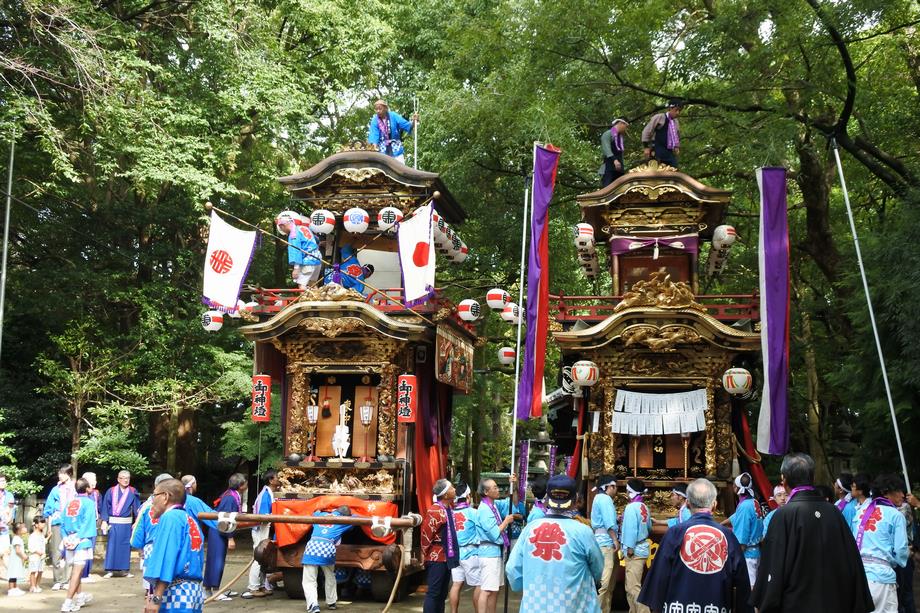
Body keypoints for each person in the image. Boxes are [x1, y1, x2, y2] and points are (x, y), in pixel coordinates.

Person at [751, 452, 873, 613]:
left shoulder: (783, 515)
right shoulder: (834, 512)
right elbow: (851, 561)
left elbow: (774, 566)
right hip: (834, 602)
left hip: (795, 604)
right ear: (812, 477)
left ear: (784, 479)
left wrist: (764, 601)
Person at [639, 478, 751, 612]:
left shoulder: (674, 533)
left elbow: (658, 580)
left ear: (687, 503)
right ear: (714, 505)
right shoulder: (728, 536)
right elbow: (742, 586)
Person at [505, 474, 604, 612]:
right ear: (575, 499)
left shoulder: (530, 529)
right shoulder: (583, 531)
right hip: (573, 606)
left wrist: (525, 584)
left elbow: (512, 569)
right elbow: (598, 569)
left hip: (534, 606)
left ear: (547, 499)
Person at [142, 478, 205, 613]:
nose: (152, 501)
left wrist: (156, 598)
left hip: (177, 591)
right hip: (194, 591)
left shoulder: (170, 518)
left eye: (154, 495)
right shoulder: (190, 519)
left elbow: (167, 559)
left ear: (165, 496)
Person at [851, 474, 909, 612]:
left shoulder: (860, 512)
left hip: (859, 577)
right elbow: (901, 551)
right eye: (899, 491)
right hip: (882, 578)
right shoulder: (896, 515)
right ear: (886, 493)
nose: (903, 495)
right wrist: (900, 560)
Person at [475, 475, 518, 613]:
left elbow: (513, 503)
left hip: (496, 553)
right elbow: (494, 534)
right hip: (489, 554)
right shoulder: (484, 509)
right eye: (494, 487)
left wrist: (514, 486)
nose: (498, 489)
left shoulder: (494, 505)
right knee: (486, 590)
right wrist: (506, 522)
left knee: (494, 590)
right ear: (486, 492)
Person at [301, 506, 354, 613]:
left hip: (313, 547)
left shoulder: (320, 515)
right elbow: (357, 519)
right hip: (328, 548)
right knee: (330, 575)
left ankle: (313, 605)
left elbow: (315, 511)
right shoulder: (344, 521)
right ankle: (331, 602)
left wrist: (325, 508)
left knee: (309, 580)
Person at [204, 473, 246, 601]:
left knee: (215, 560)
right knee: (217, 561)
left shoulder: (230, 495)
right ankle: (215, 591)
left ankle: (210, 589)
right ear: (241, 485)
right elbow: (225, 518)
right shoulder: (230, 498)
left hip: (218, 530)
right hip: (220, 530)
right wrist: (230, 538)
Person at [59, 477, 98, 613]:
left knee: (77, 572)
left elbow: (62, 522)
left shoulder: (70, 502)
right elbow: (88, 523)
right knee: (76, 573)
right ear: (87, 489)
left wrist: (65, 538)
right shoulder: (89, 503)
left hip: (68, 539)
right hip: (81, 540)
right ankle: (68, 602)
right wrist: (77, 537)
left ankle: (80, 596)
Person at [421, 479, 459, 613]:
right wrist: (424, 553)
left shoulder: (449, 508)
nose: (454, 489)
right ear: (445, 495)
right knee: (433, 593)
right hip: (436, 557)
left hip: (447, 556)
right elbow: (426, 534)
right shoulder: (435, 510)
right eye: (452, 488)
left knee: (442, 594)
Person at [131, 473, 174, 592]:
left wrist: (140, 549)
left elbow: (137, 532)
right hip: (167, 548)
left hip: (151, 548)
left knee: (152, 589)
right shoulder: (176, 508)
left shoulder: (145, 507)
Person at [242, 470, 279, 599]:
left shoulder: (268, 493)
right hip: (260, 529)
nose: (279, 479)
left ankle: (262, 585)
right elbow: (263, 517)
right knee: (258, 557)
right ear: (271, 480)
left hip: (264, 529)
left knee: (264, 558)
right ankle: (253, 587)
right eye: (277, 477)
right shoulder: (265, 495)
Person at [725, 472, 763, 587]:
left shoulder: (744, 507)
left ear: (736, 488)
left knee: (750, 587)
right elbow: (736, 516)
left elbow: (742, 537)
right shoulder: (753, 502)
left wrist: (734, 558)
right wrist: (719, 525)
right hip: (755, 551)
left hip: (747, 555)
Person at [620, 478, 652, 613]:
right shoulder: (644, 506)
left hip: (634, 549)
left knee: (633, 587)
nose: (626, 493)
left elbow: (630, 529)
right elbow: (649, 527)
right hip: (643, 546)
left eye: (627, 490)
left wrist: (630, 548)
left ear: (630, 491)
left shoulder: (631, 507)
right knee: (630, 586)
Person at [101, 470, 140, 579]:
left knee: (125, 546)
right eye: (123, 477)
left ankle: (124, 570)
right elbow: (105, 506)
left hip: (126, 523)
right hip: (113, 523)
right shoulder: (111, 491)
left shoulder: (133, 491)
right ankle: (110, 570)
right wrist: (104, 520)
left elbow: (137, 508)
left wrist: (137, 521)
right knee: (112, 546)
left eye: (127, 477)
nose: (125, 480)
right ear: (118, 479)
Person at [448, 481, 480, 613]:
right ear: (468, 496)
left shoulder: (450, 513)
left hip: (455, 554)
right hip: (471, 553)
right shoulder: (473, 512)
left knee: (456, 584)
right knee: (479, 585)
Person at [589, 474, 619, 613]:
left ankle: (604, 609)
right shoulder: (606, 499)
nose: (616, 490)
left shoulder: (598, 497)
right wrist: (615, 539)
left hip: (600, 540)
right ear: (609, 487)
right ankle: (598, 610)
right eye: (615, 487)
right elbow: (609, 524)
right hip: (606, 542)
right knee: (605, 583)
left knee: (608, 583)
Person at [43, 464, 76, 591]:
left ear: (69, 474)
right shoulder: (55, 489)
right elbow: (49, 509)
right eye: (59, 473)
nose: (60, 475)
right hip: (57, 522)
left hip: (71, 523)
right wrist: (49, 525)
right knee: (56, 552)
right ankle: (57, 579)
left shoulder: (75, 488)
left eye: (63, 473)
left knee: (69, 551)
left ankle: (66, 579)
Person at [889, 479, 916, 613]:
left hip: (904, 557)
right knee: (898, 596)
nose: (901, 495)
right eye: (898, 491)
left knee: (906, 594)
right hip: (893, 559)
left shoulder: (903, 508)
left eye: (902, 492)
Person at [276, 212, 322, 290]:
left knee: (301, 284)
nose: (282, 231)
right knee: (312, 283)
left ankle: (307, 301)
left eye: (281, 228)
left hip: (308, 261)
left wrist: (296, 268)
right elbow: (316, 240)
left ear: (282, 226)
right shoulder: (304, 228)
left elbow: (296, 251)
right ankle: (317, 300)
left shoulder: (293, 234)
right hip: (317, 258)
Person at [641, 99, 683, 167]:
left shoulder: (676, 122)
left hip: (669, 152)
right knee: (658, 172)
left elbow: (677, 135)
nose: (678, 112)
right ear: (670, 108)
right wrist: (646, 147)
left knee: (674, 170)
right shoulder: (659, 117)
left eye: (679, 111)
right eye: (676, 110)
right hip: (658, 150)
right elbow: (647, 131)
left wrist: (676, 146)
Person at [80, 472, 101, 582]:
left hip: (93, 523)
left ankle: (87, 572)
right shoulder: (80, 495)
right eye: (93, 480)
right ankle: (82, 573)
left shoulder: (96, 493)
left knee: (90, 549)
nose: (95, 482)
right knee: (83, 548)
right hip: (83, 525)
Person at [601, 118, 629, 187]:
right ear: (620, 123)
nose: (626, 128)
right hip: (609, 164)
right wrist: (615, 160)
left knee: (620, 187)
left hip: (619, 167)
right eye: (626, 126)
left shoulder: (620, 138)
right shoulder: (608, 134)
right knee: (608, 187)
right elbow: (606, 149)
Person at [0, 473, 15, 587]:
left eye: (4, 481)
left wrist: (8, 521)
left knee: (5, 552)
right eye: (1, 481)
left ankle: (11, 575)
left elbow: (11, 511)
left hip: (4, 528)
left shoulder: (9, 495)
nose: (3, 483)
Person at [7, 521, 27, 596]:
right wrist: (24, 556)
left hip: (17, 560)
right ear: (19, 530)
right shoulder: (16, 539)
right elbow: (17, 550)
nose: (26, 528)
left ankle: (15, 588)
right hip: (15, 560)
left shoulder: (18, 538)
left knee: (15, 574)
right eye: (24, 527)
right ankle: (11, 589)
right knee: (12, 574)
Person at [28, 515, 47, 593]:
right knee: (33, 571)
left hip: (42, 556)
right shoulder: (32, 536)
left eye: (44, 522)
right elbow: (31, 547)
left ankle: (37, 585)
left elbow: (44, 543)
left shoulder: (42, 535)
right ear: (36, 524)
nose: (43, 524)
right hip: (34, 556)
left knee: (40, 571)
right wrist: (37, 552)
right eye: (41, 522)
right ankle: (32, 586)